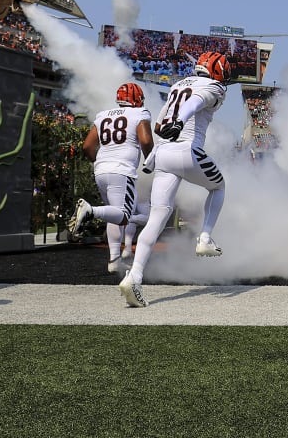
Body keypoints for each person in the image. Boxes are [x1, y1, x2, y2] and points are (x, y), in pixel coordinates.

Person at [118, 51, 230, 308]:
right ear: (217, 70)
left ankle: (134, 276)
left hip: (163, 153)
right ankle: (205, 237)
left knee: (157, 219)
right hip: (186, 150)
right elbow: (197, 102)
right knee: (219, 186)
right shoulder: (213, 86)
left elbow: (159, 126)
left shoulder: (178, 85)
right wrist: (180, 122)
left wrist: (174, 122)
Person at [69, 82, 154, 275]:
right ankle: (90, 211)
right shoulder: (140, 113)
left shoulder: (103, 115)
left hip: (101, 169)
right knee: (123, 215)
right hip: (122, 170)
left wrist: (98, 162)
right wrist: (150, 160)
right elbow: (146, 140)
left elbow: (87, 146)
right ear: (138, 99)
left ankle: (114, 259)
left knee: (113, 215)